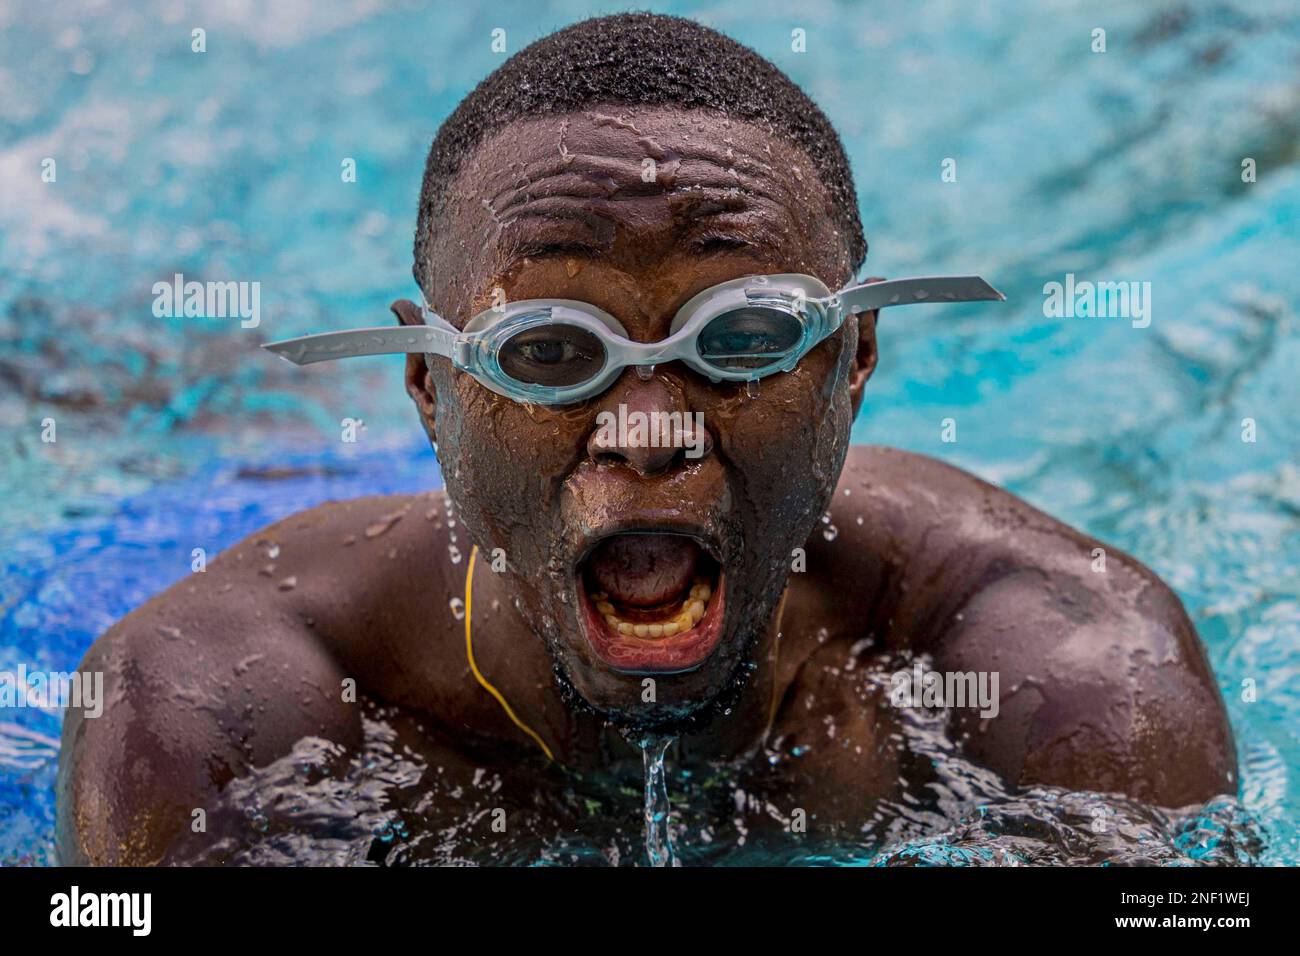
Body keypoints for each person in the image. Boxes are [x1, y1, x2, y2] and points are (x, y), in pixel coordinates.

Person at [58, 13, 1235, 866]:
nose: (652, 428)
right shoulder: (219, 700)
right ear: (426, 383)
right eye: (550, 352)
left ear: (853, 361)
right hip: (167, 525)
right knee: (137, 402)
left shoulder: (1064, 661)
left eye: (746, 338)